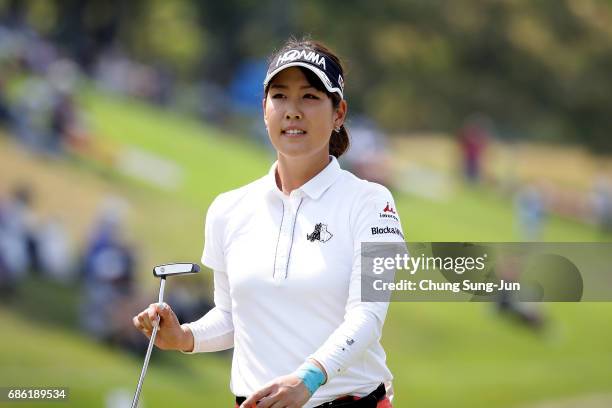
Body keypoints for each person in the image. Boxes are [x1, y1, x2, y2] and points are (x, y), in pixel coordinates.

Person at [133, 38, 404, 408]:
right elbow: (232, 317)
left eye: (309, 97)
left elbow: (368, 316)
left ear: (338, 112)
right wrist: (185, 337)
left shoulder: (373, 204)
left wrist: (306, 379)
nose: (292, 111)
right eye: (280, 96)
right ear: (264, 109)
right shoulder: (228, 209)